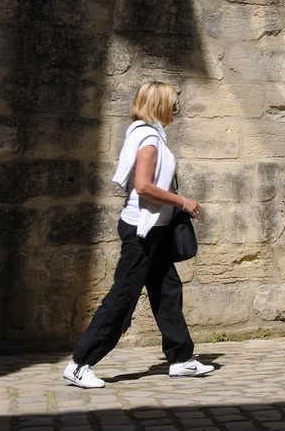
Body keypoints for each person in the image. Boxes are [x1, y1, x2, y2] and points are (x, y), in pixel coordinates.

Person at [63, 80, 214, 389]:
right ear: (158, 104)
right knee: (122, 299)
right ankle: (80, 364)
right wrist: (182, 202)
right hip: (142, 234)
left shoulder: (150, 133)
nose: (176, 108)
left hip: (153, 232)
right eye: (172, 102)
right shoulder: (148, 139)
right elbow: (143, 186)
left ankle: (181, 359)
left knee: (167, 291)